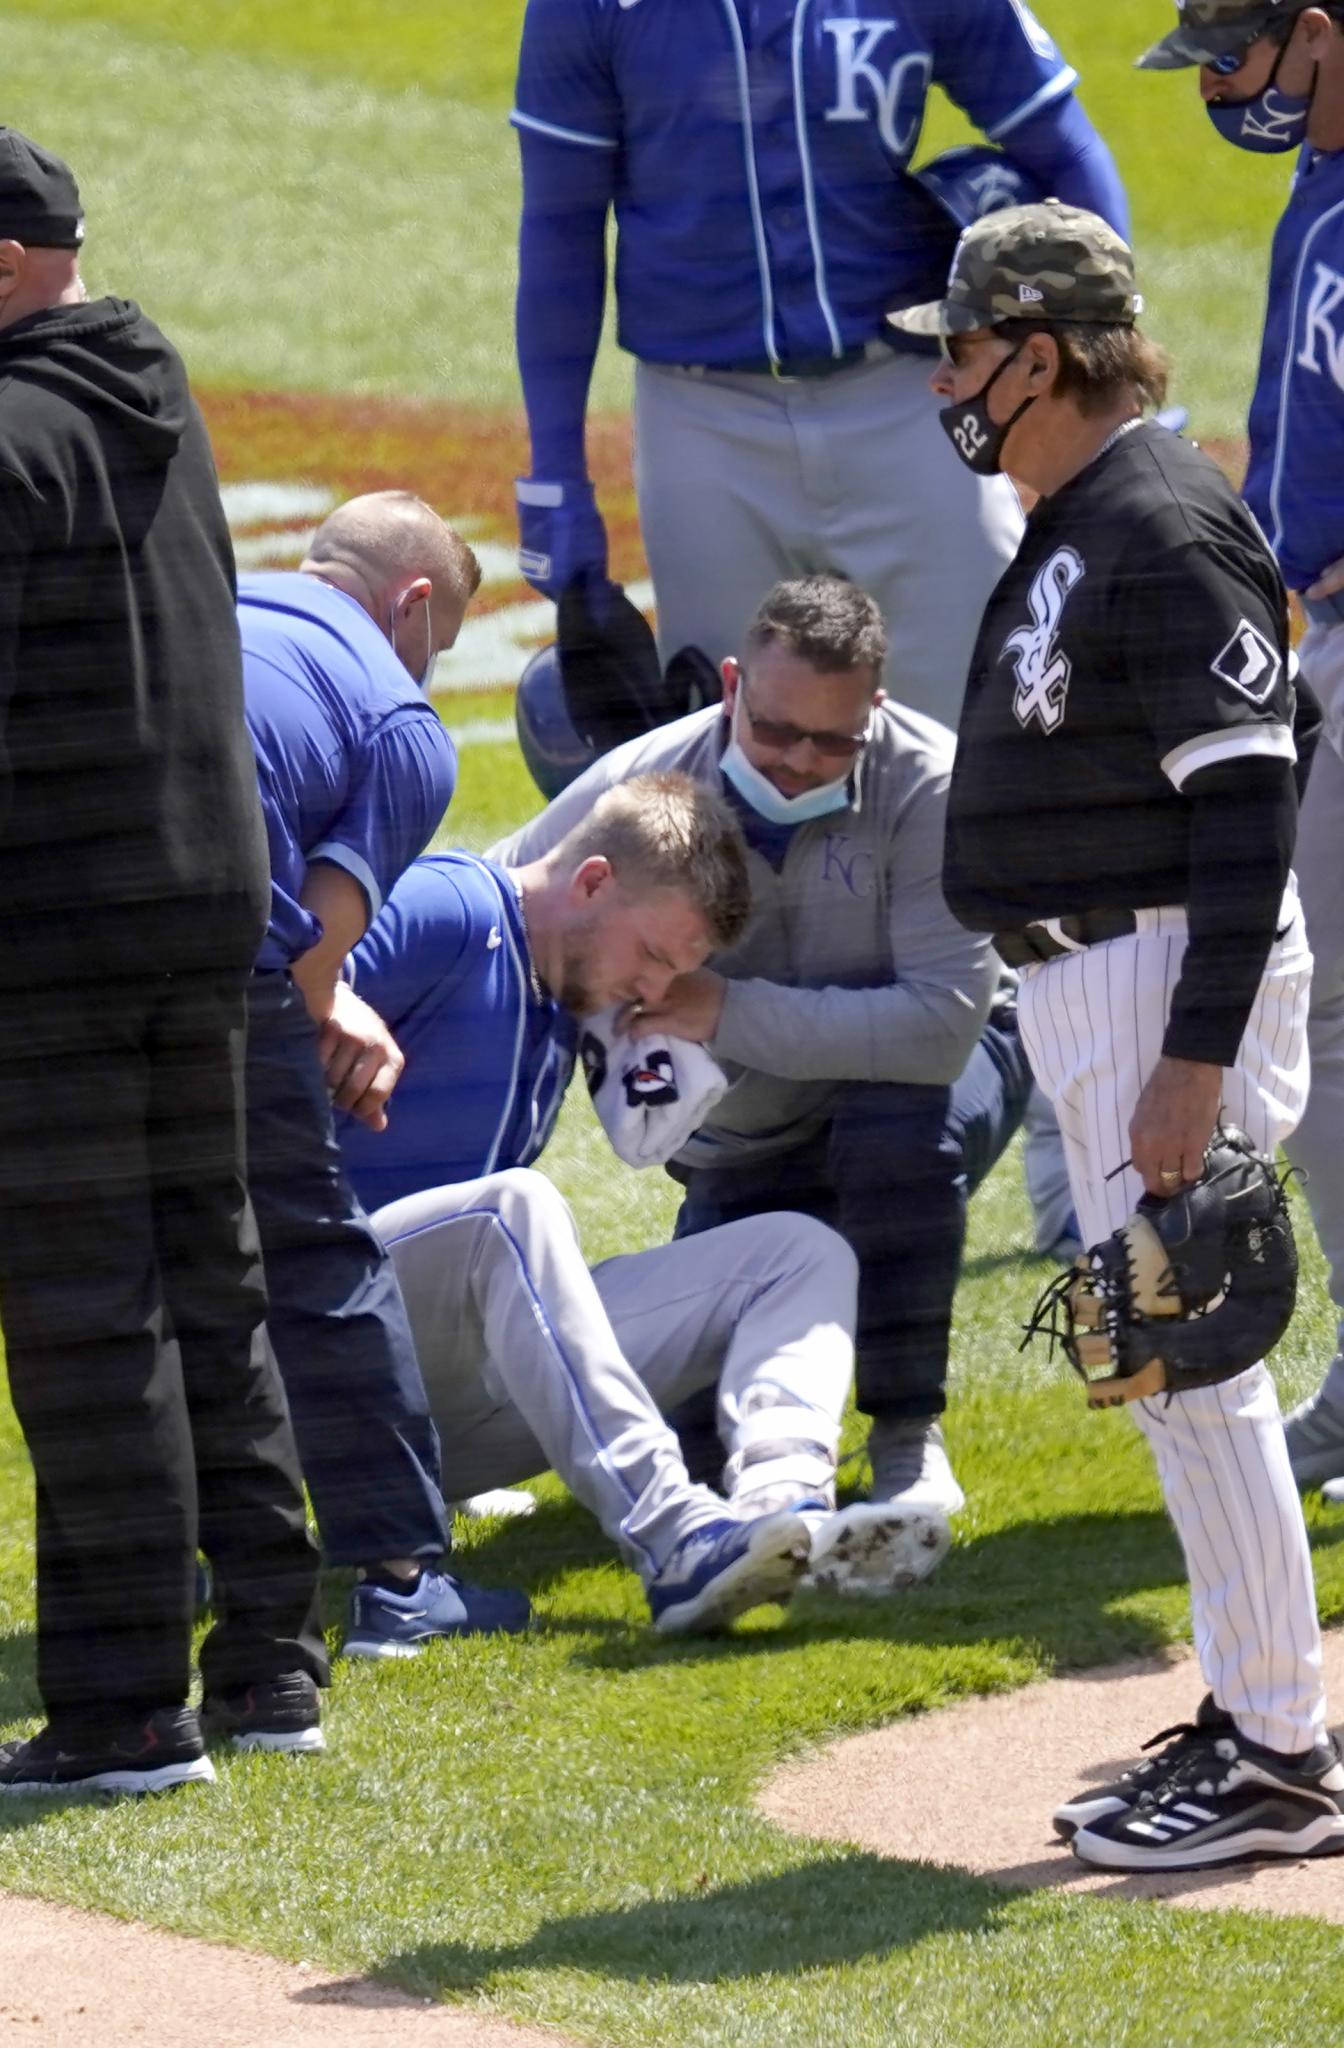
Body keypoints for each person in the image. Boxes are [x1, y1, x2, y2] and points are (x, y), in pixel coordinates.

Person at [0, 126, 330, 1794]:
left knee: (86, 1319)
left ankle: (122, 1708)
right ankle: (267, 1657)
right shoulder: (151, 387)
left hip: (48, 945)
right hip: (199, 912)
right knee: (213, 1278)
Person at [898, 202, 1340, 1871]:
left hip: (1156, 984)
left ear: (1037, 348)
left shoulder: (1156, 523)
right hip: (1109, 982)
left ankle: (1281, 1756)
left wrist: (1192, 1056)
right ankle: (1250, 1712)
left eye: (956, 345)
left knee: (1197, 1369)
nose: (940, 377)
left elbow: (1244, 809)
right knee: (1166, 1371)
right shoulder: (1085, 513)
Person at [491, 577, 1001, 1518]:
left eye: (834, 739)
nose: (803, 762)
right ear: (731, 686)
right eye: (774, 731)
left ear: (874, 712)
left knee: (894, 1133)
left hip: (926, 1075)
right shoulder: (647, 779)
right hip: (752, 1121)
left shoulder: (930, 783)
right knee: (694, 1435)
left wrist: (724, 1009)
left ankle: (904, 1438)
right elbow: (501, 906)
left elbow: (940, 1027)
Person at [511, 0, 1130, 724]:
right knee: (738, 751)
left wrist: (1105, 374)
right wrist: (555, 469)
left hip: (911, 401)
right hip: (703, 429)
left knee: (982, 716)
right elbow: (561, 223)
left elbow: (1065, 149)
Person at [233, 492, 530, 1659]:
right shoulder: (400, 717)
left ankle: (181, 1571)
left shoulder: (213, 605)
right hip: (222, 971)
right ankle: (401, 1582)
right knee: (323, 1254)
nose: (433, 667)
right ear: (414, 605)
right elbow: (317, 942)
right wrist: (330, 1009)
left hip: (61, 965)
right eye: (441, 643)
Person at [1144, 1, 1344, 1498]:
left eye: (1238, 54)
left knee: (1324, 1014)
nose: (1220, 87)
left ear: (1320, 34)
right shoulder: (1319, 189)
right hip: (1319, 623)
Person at [370, 1170, 951, 1635]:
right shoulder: (316, 1020)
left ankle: (784, 1513)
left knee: (798, 1251)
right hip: (337, 1387)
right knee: (509, 1203)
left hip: (474, 1368)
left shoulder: (548, 1026)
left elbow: (670, 1117)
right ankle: (676, 1538)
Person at [332, 773, 751, 1218]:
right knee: (522, 1202)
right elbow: (278, 982)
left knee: (800, 1248)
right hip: (319, 1260)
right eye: (650, 955)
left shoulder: (563, 1010)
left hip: (432, 1278)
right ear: (592, 882)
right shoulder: (455, 907)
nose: (653, 991)